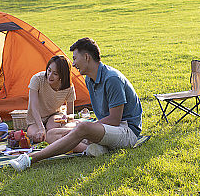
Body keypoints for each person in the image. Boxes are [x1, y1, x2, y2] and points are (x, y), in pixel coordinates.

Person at [10, 37, 142, 171]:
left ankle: (31, 158)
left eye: (75, 58)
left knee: (82, 128)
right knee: (51, 134)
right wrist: (86, 131)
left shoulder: (112, 79)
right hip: (107, 129)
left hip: (126, 131)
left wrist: (87, 129)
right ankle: (95, 149)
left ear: (86, 57)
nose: (73, 64)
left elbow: (115, 120)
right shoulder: (90, 80)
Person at [25, 55, 77, 143]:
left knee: (52, 129)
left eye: (55, 74)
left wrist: (66, 118)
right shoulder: (37, 79)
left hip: (54, 116)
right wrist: (41, 128)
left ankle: (70, 138)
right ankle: (59, 137)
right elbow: (34, 108)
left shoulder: (68, 87)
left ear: (62, 75)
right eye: (49, 70)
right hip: (36, 118)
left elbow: (71, 114)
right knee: (36, 136)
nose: (50, 75)